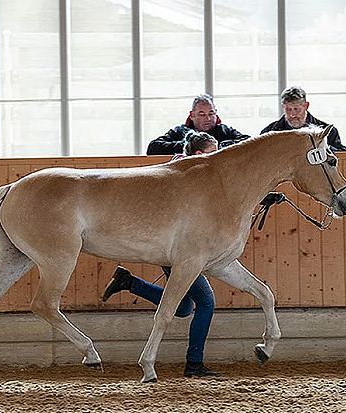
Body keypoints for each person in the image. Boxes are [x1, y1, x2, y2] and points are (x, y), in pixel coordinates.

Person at [103, 132, 220, 378]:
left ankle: (130, 283)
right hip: (180, 251)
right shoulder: (189, 176)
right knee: (206, 302)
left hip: (173, 250)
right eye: (214, 152)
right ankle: (194, 364)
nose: (219, 158)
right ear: (200, 155)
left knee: (184, 307)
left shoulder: (187, 172)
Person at [147, 93, 250, 155]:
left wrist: (218, 147)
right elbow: (153, 148)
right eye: (202, 114)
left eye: (211, 113)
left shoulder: (224, 130)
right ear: (192, 115)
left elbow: (249, 141)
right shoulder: (180, 131)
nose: (208, 118)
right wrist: (191, 146)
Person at [260, 86, 346, 152]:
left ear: (306, 106)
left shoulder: (327, 131)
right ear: (283, 107)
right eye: (288, 109)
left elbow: (342, 156)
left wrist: (320, 146)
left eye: (296, 109)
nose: (292, 114)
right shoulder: (269, 132)